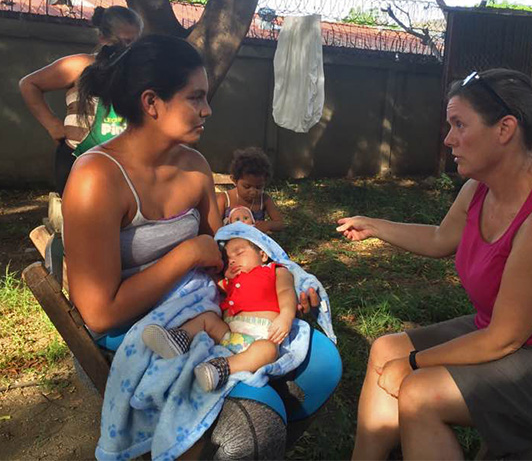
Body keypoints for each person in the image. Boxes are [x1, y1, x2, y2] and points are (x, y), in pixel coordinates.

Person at [62, 34, 341, 459]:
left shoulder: (193, 166)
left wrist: (278, 287)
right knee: (253, 426)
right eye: (196, 97)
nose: (208, 110)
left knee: (323, 366)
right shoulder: (97, 178)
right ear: (152, 102)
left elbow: (224, 252)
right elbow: (99, 313)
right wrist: (189, 253)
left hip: (212, 308)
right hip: (146, 329)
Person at [337, 68, 532, 460]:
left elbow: (502, 340)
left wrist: (412, 363)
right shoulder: (479, 188)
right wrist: (374, 225)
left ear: (505, 129)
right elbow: (442, 238)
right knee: (383, 349)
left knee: (419, 393)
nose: (448, 139)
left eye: (459, 124)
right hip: (504, 332)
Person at [142, 234, 297, 392]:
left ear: (262, 255)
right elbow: (213, 280)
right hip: (229, 335)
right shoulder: (231, 282)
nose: (232, 261)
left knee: (268, 350)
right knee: (207, 318)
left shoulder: (273, 271)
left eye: (239, 253)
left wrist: (286, 315)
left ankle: (221, 368)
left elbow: (286, 291)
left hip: (261, 337)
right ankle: (178, 339)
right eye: (228, 259)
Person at [19, 5, 143, 194]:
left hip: (124, 160)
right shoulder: (80, 65)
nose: (129, 49)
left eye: (135, 42)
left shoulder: (138, 73)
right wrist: (52, 124)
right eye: (125, 41)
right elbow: (29, 84)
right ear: (103, 38)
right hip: (77, 156)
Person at [217, 147, 285, 232]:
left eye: (258, 187)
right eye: (246, 186)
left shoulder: (264, 200)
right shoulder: (224, 199)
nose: (253, 192)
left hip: (255, 242)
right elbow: (215, 225)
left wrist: (268, 225)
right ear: (234, 180)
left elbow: (280, 224)